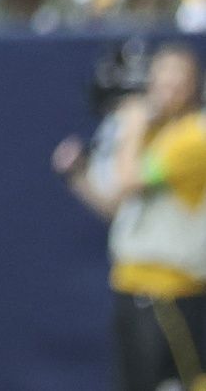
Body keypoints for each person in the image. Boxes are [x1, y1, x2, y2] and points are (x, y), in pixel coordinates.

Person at [53, 44, 206, 391]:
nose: (166, 84)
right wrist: (78, 176)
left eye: (177, 76)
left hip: (171, 296)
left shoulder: (194, 137)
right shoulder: (159, 133)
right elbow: (117, 208)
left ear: (194, 85)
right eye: (160, 74)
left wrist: (133, 125)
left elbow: (126, 181)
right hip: (132, 287)